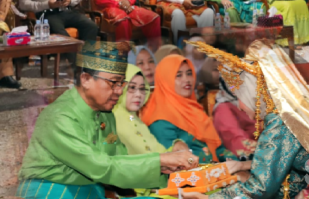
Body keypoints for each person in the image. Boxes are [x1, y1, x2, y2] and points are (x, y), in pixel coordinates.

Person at [181, 39, 309, 199]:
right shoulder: (302, 103)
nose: (241, 106)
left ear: (256, 91)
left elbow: (260, 187)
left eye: (241, 94)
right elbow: (302, 169)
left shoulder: (281, 121)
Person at [17, 41, 199, 199]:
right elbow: (102, 167)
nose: (120, 91)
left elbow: (118, 158)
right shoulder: (60, 118)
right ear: (86, 79)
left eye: (122, 83)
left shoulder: (104, 112)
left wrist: (163, 169)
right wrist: (161, 160)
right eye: (113, 83)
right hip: (51, 192)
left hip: (92, 191)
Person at [141, 54, 236, 164]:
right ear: (166, 80)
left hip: (216, 172)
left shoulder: (195, 109)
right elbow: (174, 161)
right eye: (178, 75)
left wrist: (237, 163)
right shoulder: (160, 119)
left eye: (189, 74)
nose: (187, 80)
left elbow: (218, 149)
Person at [212, 77, 257, 159]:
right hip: (252, 159)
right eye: (231, 84)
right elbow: (236, 140)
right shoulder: (223, 108)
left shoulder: (256, 101)